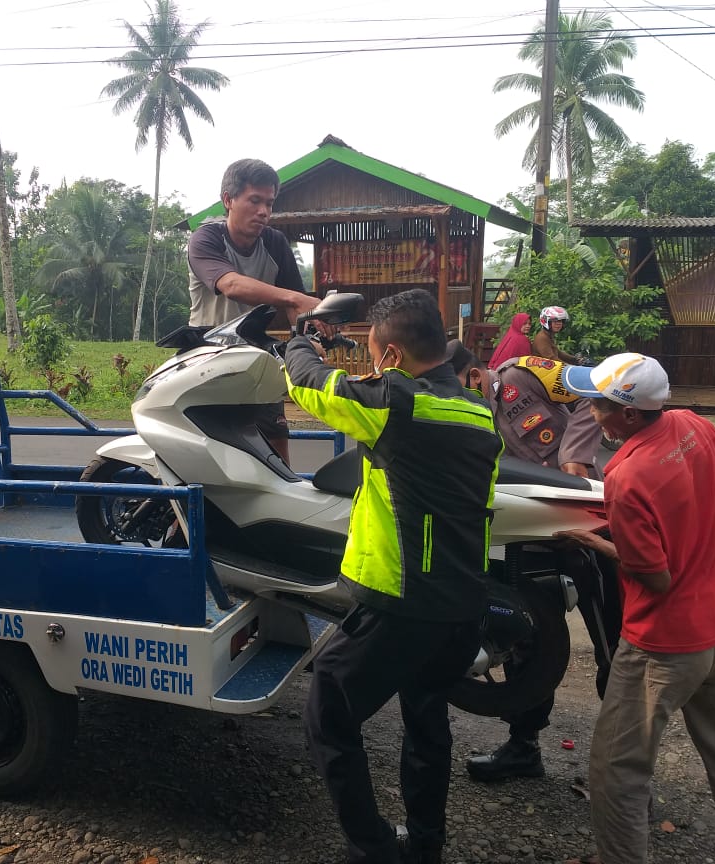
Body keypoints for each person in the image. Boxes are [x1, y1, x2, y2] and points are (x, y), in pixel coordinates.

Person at [285, 288, 503, 864]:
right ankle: (425, 846)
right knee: (426, 718)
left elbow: (311, 383)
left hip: (403, 605)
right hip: (461, 604)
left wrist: (303, 338)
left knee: (327, 713)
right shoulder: (478, 411)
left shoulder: (395, 404)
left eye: (375, 353)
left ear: (391, 357)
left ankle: (374, 849)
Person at [557, 352, 715, 864]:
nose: (590, 413)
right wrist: (698, 503)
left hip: (663, 645)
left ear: (629, 415)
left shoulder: (626, 476)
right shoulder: (691, 424)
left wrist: (595, 543)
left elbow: (656, 577)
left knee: (618, 765)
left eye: (597, 405)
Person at [465, 353, 622, 782]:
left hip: (587, 518)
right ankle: (523, 747)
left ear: (476, 374)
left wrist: (575, 455)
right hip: (532, 530)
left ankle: (623, 767)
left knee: (614, 642)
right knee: (530, 636)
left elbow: (596, 386)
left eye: (464, 385)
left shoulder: (524, 372)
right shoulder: (475, 410)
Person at [188, 158, 321, 461]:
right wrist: (293, 299)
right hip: (206, 355)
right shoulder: (206, 238)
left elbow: (296, 309)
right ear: (228, 200)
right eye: (255, 201)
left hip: (256, 357)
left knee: (277, 450)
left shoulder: (274, 242)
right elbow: (231, 285)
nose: (264, 211)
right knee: (208, 453)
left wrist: (310, 336)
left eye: (270, 203)